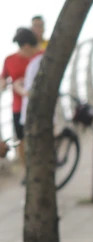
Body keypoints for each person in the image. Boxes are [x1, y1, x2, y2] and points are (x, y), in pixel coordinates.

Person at [1, 28, 40, 166]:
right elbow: (3, 78)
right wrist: (4, 84)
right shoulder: (9, 60)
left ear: (27, 45)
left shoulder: (41, 57)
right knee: (22, 140)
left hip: (37, 105)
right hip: (18, 107)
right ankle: (27, 170)